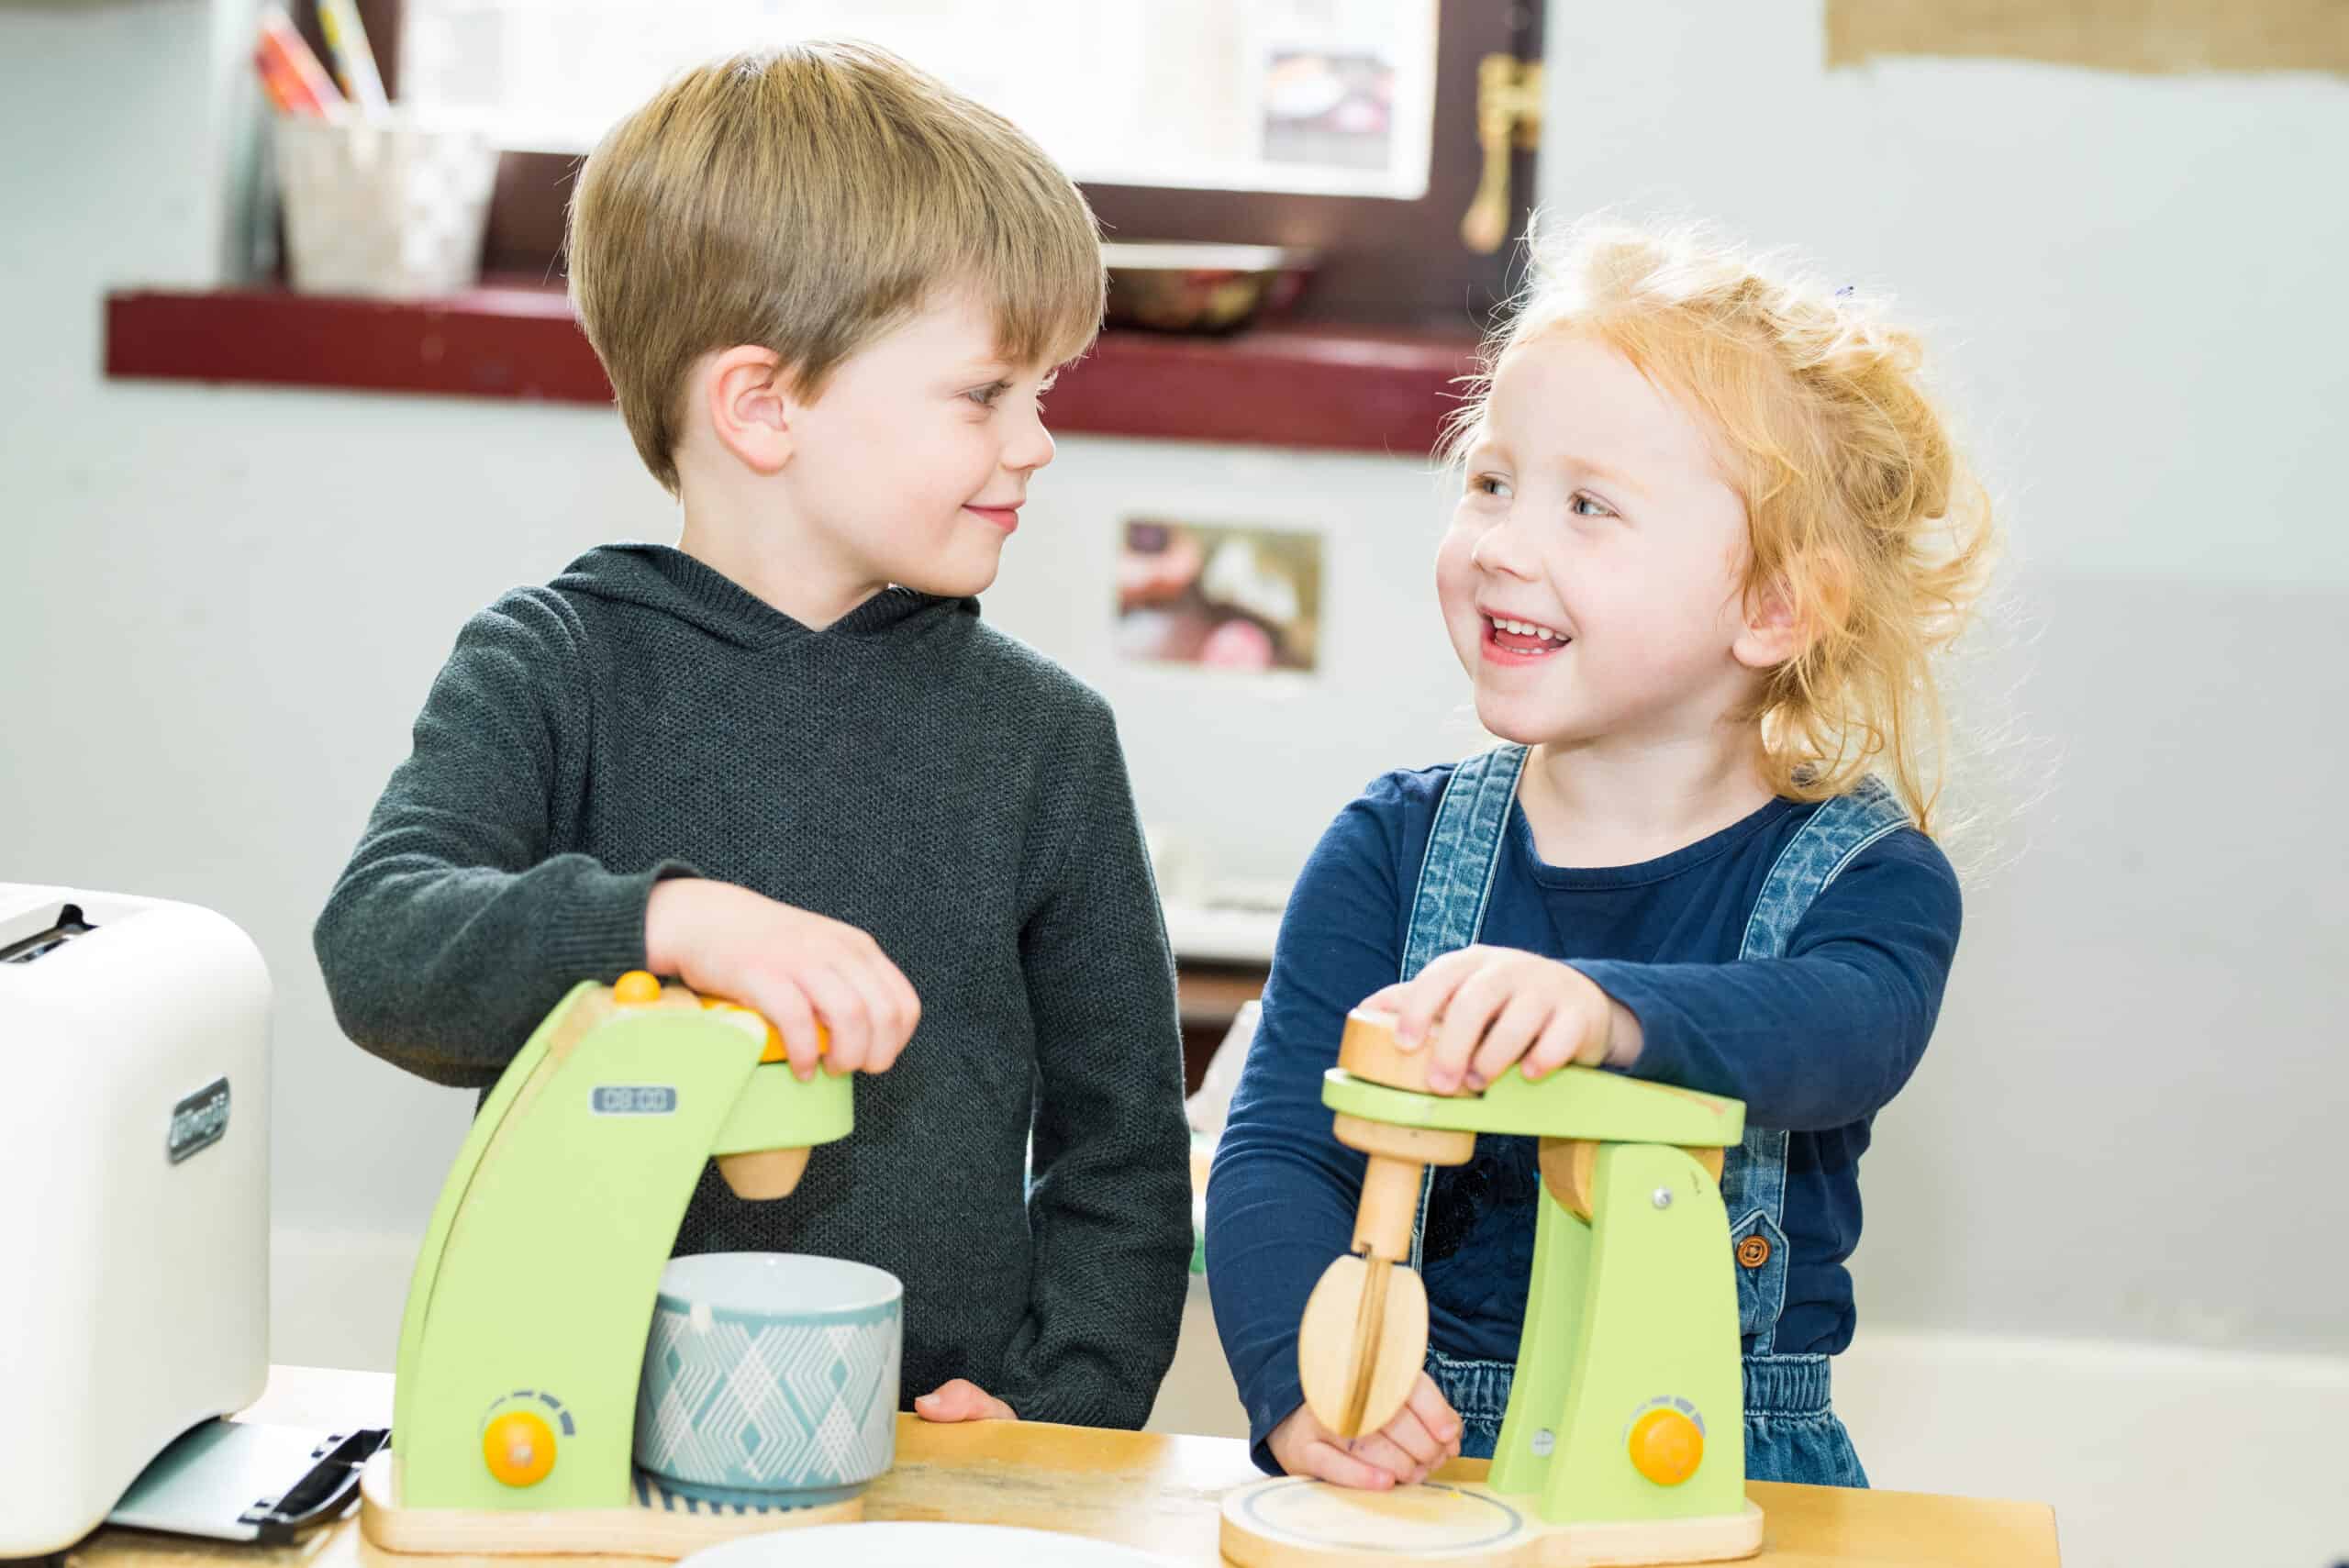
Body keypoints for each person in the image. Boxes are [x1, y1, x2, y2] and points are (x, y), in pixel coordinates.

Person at [314, 41, 1192, 1431]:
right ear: (763, 405)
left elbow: (1125, 1156)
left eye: (1044, 393)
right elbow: (379, 948)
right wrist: (670, 923)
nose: (1035, 443)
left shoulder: (1049, 742)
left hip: (938, 1459)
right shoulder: (552, 669)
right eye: (985, 393)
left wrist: (1061, 1408)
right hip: (583, 1440)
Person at [1206, 216, 1998, 1488]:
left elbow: (1850, 1032)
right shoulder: (1389, 852)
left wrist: (1606, 1012)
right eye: (1491, 483)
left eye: (1588, 506)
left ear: (1774, 604)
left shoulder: (1866, 881)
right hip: (1437, 1456)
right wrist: (1302, 1377)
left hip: (1727, 1471)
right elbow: (1281, 1154)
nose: (1503, 543)